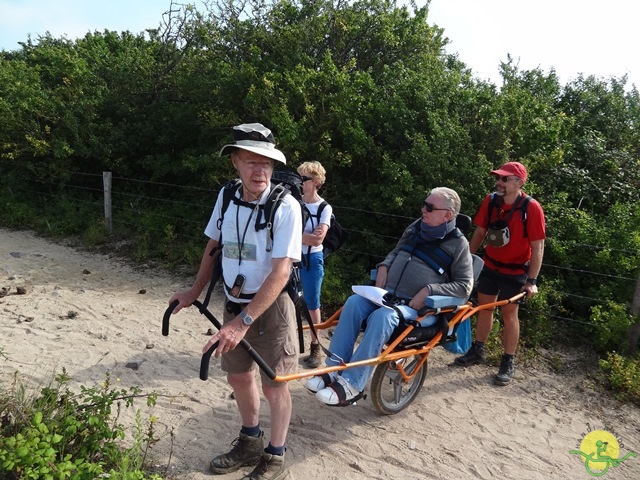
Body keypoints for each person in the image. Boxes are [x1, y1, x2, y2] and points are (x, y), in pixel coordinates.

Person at [169, 123, 302, 480]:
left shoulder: (286, 206)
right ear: (235, 164)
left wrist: (241, 322)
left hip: (271, 309)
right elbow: (214, 245)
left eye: (267, 164)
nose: (260, 171)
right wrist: (193, 292)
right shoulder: (227, 196)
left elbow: (281, 272)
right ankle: (250, 441)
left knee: (276, 383)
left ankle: (275, 457)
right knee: (240, 378)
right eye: (251, 162)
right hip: (232, 300)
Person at [305, 187, 474, 405]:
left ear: (448, 215)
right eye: (424, 204)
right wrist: (384, 265)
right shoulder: (415, 228)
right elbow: (397, 251)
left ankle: (353, 384)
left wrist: (430, 290)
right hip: (388, 296)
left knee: (382, 317)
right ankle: (334, 369)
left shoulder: (458, 244)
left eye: (429, 207)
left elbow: (464, 286)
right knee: (354, 302)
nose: (423, 209)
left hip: (420, 309)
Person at [454, 161, 546, 386]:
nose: (499, 182)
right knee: (484, 309)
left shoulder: (531, 208)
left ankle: (507, 361)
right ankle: (478, 350)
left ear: (519, 182)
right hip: (490, 266)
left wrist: (531, 281)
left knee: (509, 316)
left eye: (505, 179)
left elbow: (538, 246)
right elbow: (480, 231)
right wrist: (465, 260)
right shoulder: (491, 200)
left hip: (515, 273)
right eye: (499, 178)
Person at [296, 161, 332, 368]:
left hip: (312, 259)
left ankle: (315, 346)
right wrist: (306, 236)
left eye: (304, 179)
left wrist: (292, 235)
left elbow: (318, 240)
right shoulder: (294, 202)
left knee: (312, 303)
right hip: (291, 259)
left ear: (316, 182)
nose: (300, 182)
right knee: (286, 300)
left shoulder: (324, 208)